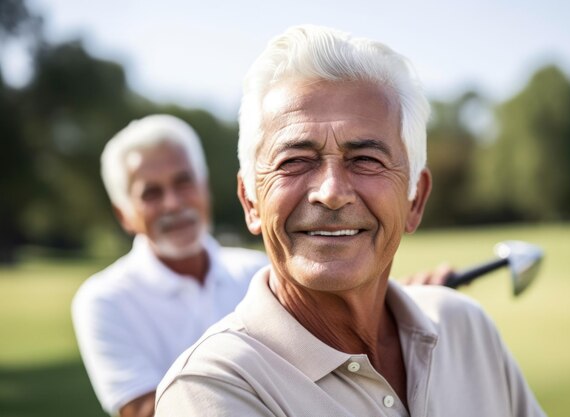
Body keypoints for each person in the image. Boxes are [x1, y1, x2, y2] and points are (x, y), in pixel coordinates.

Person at [155, 25, 546, 416]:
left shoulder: (464, 327)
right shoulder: (209, 388)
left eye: (366, 160)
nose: (331, 191)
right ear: (251, 202)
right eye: (294, 161)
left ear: (415, 199)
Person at [71, 114, 269, 417]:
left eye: (183, 182)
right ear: (124, 214)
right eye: (151, 193)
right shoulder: (104, 299)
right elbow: (145, 411)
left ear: (205, 188)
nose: (173, 203)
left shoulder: (261, 271)